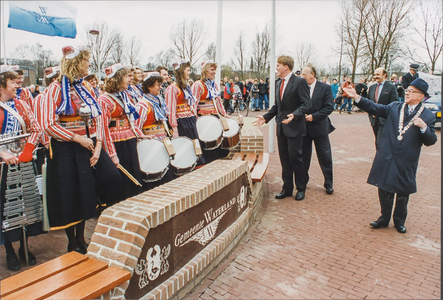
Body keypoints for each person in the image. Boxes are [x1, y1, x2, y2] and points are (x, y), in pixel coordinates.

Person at [42, 45, 120, 254]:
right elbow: (48, 124)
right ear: (76, 63)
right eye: (86, 61)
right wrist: (77, 138)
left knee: (86, 193)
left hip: (87, 146)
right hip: (66, 150)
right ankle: (73, 242)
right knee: (70, 195)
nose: (89, 65)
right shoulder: (55, 89)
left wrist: (98, 146)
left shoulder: (85, 86)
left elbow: (98, 118)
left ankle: (80, 237)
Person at [343, 78, 437, 234]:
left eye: (411, 91)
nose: (407, 93)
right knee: (384, 188)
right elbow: (375, 108)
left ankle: (399, 221)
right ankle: (384, 218)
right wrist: (357, 98)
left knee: (402, 192)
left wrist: (424, 127)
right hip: (387, 155)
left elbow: (431, 141)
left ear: (421, 96)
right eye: (407, 90)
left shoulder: (427, 116)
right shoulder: (395, 107)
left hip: (407, 159)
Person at [0, 65, 43, 271]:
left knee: (26, 205)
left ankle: (24, 247)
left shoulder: (21, 105)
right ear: (1, 86)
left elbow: (36, 128)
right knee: (6, 210)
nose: (18, 85)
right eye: (12, 82)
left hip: (23, 162)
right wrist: (2, 153)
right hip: (2, 167)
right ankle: (9, 250)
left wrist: (28, 148)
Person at [252, 55, 310, 201]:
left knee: (296, 159)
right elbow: (278, 106)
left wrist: (295, 115)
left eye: (278, 65)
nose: (276, 68)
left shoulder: (300, 82)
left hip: (295, 127)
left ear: (286, 66)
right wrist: (265, 117)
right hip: (282, 129)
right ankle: (287, 188)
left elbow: (307, 104)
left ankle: (301, 188)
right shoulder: (278, 83)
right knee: (284, 160)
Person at [98, 63, 145, 201]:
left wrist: (141, 135)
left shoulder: (126, 96)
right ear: (118, 78)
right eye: (127, 76)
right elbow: (103, 130)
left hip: (129, 142)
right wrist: (112, 154)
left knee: (134, 180)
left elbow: (132, 121)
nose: (131, 79)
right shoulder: (104, 100)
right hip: (117, 145)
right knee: (122, 186)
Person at [136, 72, 175, 187]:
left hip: (163, 144)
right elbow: (137, 128)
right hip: (151, 147)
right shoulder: (142, 105)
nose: (160, 87)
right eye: (158, 84)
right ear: (149, 86)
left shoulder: (160, 103)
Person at [301, 65, 335, 195]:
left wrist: (313, 117)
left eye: (304, 74)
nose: (302, 77)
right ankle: (303, 182)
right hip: (304, 128)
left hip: (320, 128)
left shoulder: (325, 88)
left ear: (312, 74)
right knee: (304, 157)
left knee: (325, 157)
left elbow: (329, 107)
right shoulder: (301, 87)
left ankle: (328, 184)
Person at [165, 59, 205, 165]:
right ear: (182, 71)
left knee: (195, 148)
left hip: (190, 120)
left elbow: (191, 104)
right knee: (186, 149)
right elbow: (171, 110)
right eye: (188, 70)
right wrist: (175, 129)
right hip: (181, 123)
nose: (190, 72)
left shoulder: (186, 87)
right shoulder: (173, 88)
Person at [33, 66, 60, 175]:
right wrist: (47, 142)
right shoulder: (42, 98)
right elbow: (38, 122)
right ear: (54, 80)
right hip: (48, 145)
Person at [367, 68, 398, 148]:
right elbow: (368, 103)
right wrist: (371, 114)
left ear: (384, 75)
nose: (375, 76)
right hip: (374, 120)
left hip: (384, 120)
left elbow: (394, 103)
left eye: (378, 74)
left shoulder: (391, 87)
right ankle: (381, 157)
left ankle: (380, 158)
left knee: (380, 141)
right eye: (375, 74)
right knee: (377, 140)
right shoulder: (372, 87)